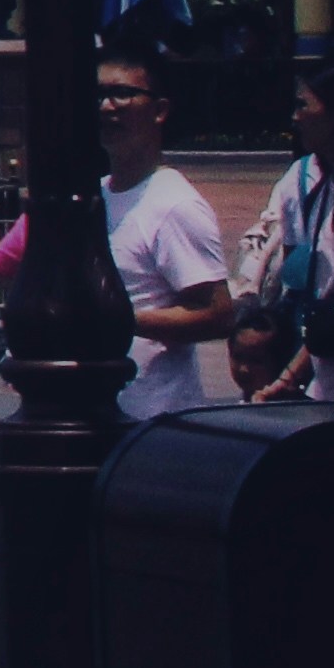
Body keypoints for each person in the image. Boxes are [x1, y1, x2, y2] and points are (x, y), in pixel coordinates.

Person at [100, 54, 236, 423]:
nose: (106, 106)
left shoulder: (174, 205)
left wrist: (119, 320)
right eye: (97, 94)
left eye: (122, 93)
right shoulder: (94, 197)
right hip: (98, 412)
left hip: (154, 419)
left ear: (159, 110)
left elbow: (217, 313)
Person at [236, 60, 334, 401]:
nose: (295, 117)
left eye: (303, 105)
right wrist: (288, 378)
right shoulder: (323, 191)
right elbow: (327, 310)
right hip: (327, 391)